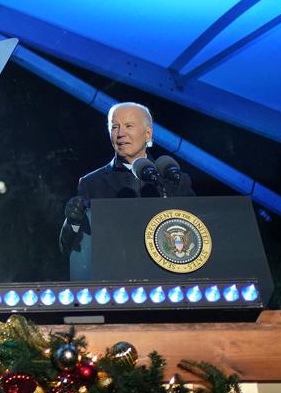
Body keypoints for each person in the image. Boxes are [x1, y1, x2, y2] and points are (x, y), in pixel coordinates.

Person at [58, 102, 194, 276]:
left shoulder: (174, 180)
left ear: (148, 134)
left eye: (129, 126)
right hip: (114, 280)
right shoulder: (92, 183)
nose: (120, 133)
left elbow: (199, 232)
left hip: (169, 279)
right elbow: (70, 249)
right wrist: (73, 222)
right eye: (115, 127)